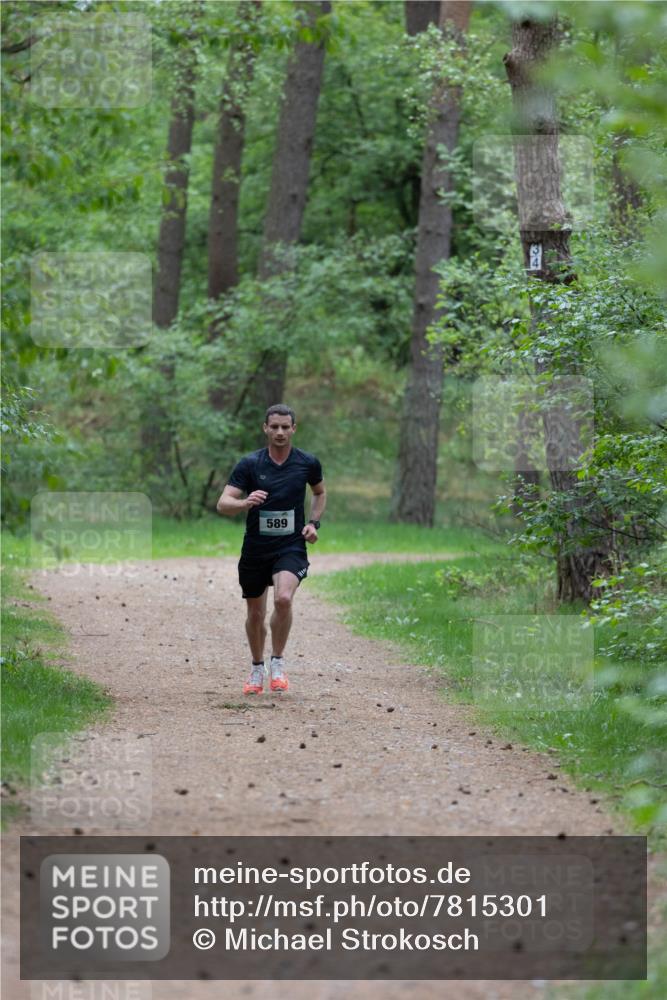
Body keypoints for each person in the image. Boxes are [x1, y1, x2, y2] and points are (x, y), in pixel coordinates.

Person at [216, 404, 326, 695]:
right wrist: (245, 503)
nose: (280, 432)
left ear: (294, 429)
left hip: (290, 545)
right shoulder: (250, 464)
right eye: (274, 426)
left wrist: (313, 524)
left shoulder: (307, 463)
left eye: (285, 427)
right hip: (256, 548)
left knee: (284, 599)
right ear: (265, 428)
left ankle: (277, 663)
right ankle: (256, 668)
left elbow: (319, 492)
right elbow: (223, 503)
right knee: (254, 614)